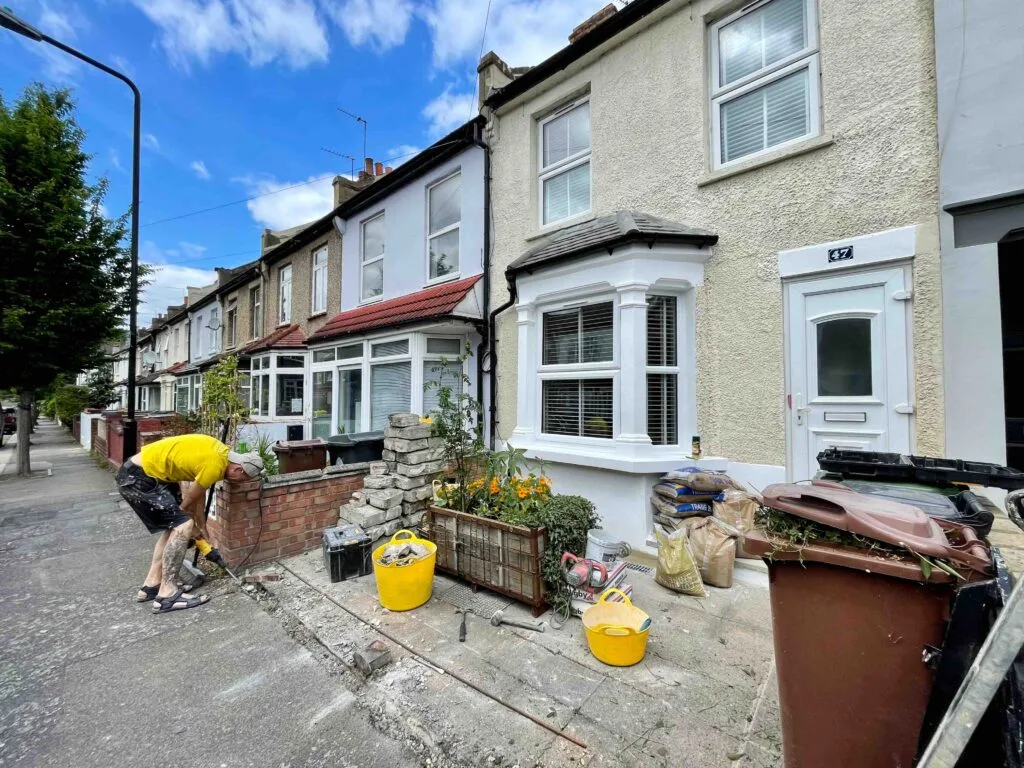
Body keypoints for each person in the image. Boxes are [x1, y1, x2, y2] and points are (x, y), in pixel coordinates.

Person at [116, 433, 263, 613]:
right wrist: (191, 525)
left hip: (143, 474)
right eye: (243, 479)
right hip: (141, 478)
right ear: (239, 470)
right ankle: (167, 595)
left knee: (175, 527)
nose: (239, 482)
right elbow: (189, 502)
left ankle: (152, 586)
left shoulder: (219, 453)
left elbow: (197, 494)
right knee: (182, 526)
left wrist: (201, 527)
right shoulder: (215, 465)